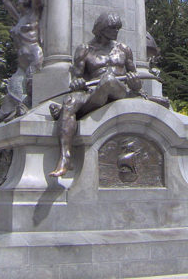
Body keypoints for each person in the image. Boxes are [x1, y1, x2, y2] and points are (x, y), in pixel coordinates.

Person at [49, 12, 142, 177]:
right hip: (94, 91)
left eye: (118, 28)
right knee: (70, 102)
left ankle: (66, 112)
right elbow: (77, 77)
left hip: (118, 89)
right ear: (101, 29)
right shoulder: (85, 50)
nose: (116, 31)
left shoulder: (123, 49)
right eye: (112, 28)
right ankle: (65, 158)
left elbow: (134, 78)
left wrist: (135, 84)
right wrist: (77, 82)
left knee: (108, 80)